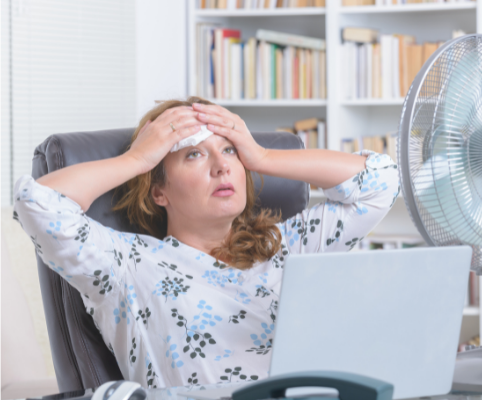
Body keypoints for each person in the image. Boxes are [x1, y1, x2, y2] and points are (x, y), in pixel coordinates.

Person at [13, 97, 400, 389]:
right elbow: (37, 204)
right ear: (158, 191)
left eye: (228, 150)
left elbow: (380, 183)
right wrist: (137, 159)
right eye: (195, 154)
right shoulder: (125, 264)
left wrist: (261, 155)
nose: (222, 166)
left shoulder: (287, 246)